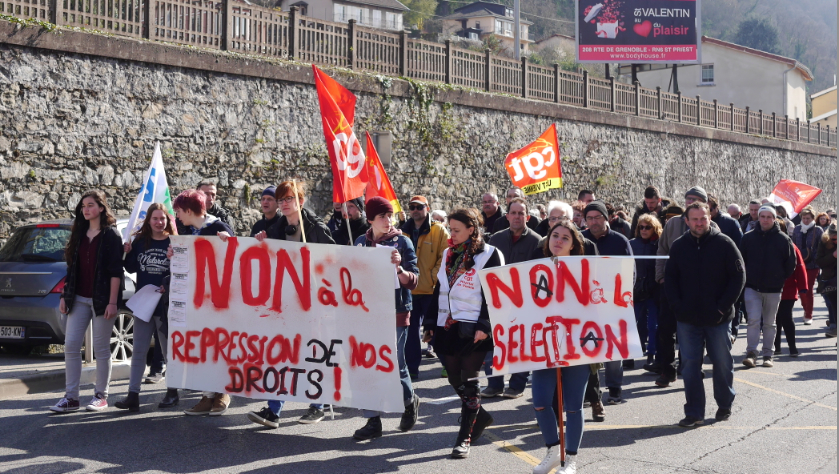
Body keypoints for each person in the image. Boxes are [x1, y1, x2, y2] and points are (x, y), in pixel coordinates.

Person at [245, 181, 334, 427]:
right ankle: (274, 410)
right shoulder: (276, 227)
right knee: (281, 353)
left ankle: (318, 405)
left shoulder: (315, 227)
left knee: (313, 353)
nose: (283, 204)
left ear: (300, 202)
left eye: (288, 199)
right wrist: (262, 241)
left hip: (312, 302)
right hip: (284, 303)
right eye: (281, 199)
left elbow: (334, 259)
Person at [423, 209, 502, 458]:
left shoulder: (489, 255)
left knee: (470, 382)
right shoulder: (448, 253)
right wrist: (429, 323)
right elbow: (440, 290)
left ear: (472, 229)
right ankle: (480, 415)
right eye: (450, 228)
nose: (452, 234)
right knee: (453, 378)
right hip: (448, 325)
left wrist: (485, 325)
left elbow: (495, 293)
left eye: (456, 230)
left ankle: (464, 437)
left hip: (473, 328)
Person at [665, 202, 745, 427]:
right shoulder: (679, 246)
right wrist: (677, 306)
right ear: (687, 221)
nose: (699, 223)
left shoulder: (725, 243)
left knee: (721, 362)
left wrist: (722, 307)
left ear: (710, 218)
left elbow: (738, 277)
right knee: (689, 366)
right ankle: (694, 412)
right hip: (688, 319)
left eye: (703, 218)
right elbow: (670, 279)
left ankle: (725, 403)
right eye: (695, 219)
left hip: (718, 318)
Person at [530, 220, 598, 474]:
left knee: (573, 406)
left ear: (574, 244)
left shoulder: (585, 271)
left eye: (565, 238)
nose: (558, 240)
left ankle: (570, 459)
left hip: (576, 346)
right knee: (540, 401)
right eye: (554, 235)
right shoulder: (534, 270)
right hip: (543, 345)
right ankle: (552, 450)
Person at [353, 197, 421, 440]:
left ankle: (409, 400)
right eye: (381, 215)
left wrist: (399, 268)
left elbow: (414, 281)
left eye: (389, 215)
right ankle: (373, 420)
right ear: (370, 219)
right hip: (367, 313)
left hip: (396, 311)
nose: (387, 220)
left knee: (394, 363)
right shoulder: (360, 242)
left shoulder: (402, 242)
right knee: (367, 365)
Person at [51, 191, 124, 413]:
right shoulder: (79, 234)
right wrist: (65, 295)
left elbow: (115, 272)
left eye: (90, 205)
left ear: (101, 208)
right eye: (83, 206)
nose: (86, 210)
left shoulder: (111, 235)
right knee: (72, 346)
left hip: (103, 300)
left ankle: (101, 396)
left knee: (102, 348)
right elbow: (71, 269)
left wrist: (112, 302)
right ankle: (71, 398)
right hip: (79, 298)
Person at [170, 189, 234, 415]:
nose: (176, 216)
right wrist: (175, 255)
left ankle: (223, 391)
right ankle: (207, 395)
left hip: (219, 299)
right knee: (204, 346)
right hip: (196, 298)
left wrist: (229, 244)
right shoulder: (187, 230)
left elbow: (235, 259)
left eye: (178, 211)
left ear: (188, 210)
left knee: (220, 344)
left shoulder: (219, 228)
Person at [116, 203, 175, 412]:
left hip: (165, 305)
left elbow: (182, 271)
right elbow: (131, 267)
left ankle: (172, 392)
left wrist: (167, 280)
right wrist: (128, 252)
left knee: (168, 351)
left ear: (168, 221)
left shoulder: (173, 242)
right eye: (155, 219)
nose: (159, 222)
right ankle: (133, 395)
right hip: (144, 304)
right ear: (149, 221)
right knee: (139, 351)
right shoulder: (141, 241)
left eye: (162, 219)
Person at [483, 198, 541, 399]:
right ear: (507, 216)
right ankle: (494, 383)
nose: (517, 216)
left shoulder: (537, 241)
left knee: (521, 343)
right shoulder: (495, 239)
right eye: (513, 213)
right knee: (493, 342)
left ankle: (517, 385)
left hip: (524, 302)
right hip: (497, 300)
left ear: (528, 216)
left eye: (520, 213)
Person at [654, 187, 708, 387]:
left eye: (694, 199)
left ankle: (692, 367)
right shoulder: (673, 224)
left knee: (694, 330)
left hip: (696, 289)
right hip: (670, 285)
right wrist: (660, 276)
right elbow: (662, 250)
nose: (689, 202)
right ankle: (667, 370)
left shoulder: (708, 227)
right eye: (687, 199)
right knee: (666, 329)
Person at [581, 200, 631, 403]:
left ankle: (614, 388)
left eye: (597, 217)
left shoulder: (620, 241)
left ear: (606, 218)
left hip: (613, 303)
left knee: (613, 349)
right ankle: (589, 392)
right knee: (586, 347)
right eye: (589, 218)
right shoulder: (579, 240)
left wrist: (622, 299)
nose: (593, 222)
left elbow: (630, 272)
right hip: (585, 304)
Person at [739, 205, 796, 369]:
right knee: (753, 320)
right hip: (752, 287)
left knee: (770, 323)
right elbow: (741, 260)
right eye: (762, 216)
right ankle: (751, 353)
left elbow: (790, 264)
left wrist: (779, 279)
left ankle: (767, 354)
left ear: (774, 218)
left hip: (773, 288)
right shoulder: (748, 238)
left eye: (768, 217)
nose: (765, 220)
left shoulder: (783, 239)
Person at [400, 195, 449, 380]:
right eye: (412, 207)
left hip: (431, 290)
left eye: (419, 207)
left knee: (436, 329)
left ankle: (447, 364)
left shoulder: (439, 231)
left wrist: (431, 277)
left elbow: (445, 257)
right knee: (411, 333)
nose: (415, 210)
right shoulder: (402, 232)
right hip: (410, 290)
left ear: (427, 208)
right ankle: (412, 369)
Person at [630, 214, 662, 372]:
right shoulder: (631, 244)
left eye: (647, 227)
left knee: (653, 325)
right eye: (641, 227)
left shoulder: (659, 245)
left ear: (654, 228)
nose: (643, 230)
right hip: (636, 290)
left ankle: (651, 354)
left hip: (654, 290)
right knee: (635, 323)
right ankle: (631, 353)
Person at [774, 227, 808, 357]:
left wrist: (802, 287)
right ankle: (776, 347)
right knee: (774, 319)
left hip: (788, 289)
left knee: (786, 317)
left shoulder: (791, 246)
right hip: (772, 288)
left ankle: (792, 347)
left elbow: (800, 267)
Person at [792, 206, 824, 325]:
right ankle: (806, 308)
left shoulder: (818, 230)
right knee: (801, 289)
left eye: (808, 218)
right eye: (804, 218)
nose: (806, 220)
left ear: (813, 218)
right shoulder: (797, 229)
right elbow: (793, 245)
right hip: (799, 263)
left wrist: (815, 258)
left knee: (808, 289)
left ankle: (808, 314)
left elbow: (822, 247)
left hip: (813, 264)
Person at [815, 224, 837, 338]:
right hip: (831, 280)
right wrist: (833, 255)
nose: (836, 241)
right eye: (834, 239)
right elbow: (819, 261)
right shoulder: (824, 242)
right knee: (834, 306)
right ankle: (834, 326)